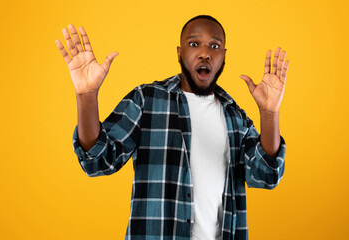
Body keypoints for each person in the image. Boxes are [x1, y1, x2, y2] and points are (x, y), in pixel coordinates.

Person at [56, 15, 289, 240]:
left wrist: (269, 113)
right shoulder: (146, 100)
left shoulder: (235, 117)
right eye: (194, 43)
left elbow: (266, 175)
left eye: (215, 46)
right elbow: (98, 160)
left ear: (224, 56)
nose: (205, 53)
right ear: (180, 52)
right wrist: (87, 95)